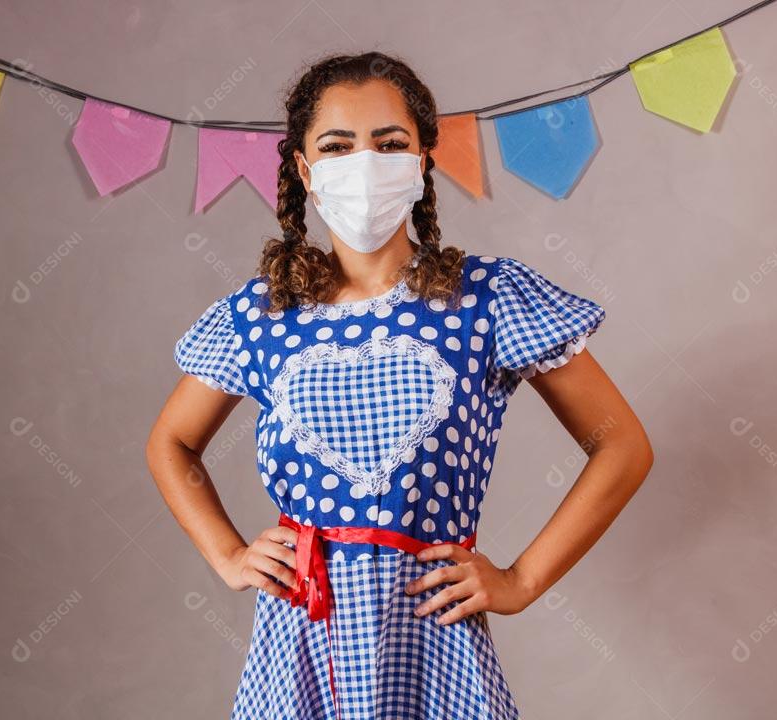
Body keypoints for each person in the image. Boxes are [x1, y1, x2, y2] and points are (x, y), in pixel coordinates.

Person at [146, 51, 653, 720]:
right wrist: (229, 554)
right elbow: (172, 442)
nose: (364, 163)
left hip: (432, 637)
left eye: (389, 144)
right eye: (337, 145)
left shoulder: (488, 298)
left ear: (421, 159)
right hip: (301, 635)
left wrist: (522, 579)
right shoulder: (262, 313)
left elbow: (622, 446)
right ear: (303, 168)